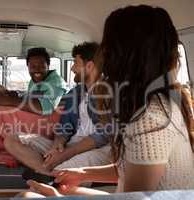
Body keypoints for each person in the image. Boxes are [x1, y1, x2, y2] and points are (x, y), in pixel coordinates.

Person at [20, 5, 194, 198]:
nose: (104, 54)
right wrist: (82, 174)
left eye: (108, 45)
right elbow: (133, 167)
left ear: (122, 55)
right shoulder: (158, 103)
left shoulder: (150, 116)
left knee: (28, 197)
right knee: (64, 188)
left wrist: (57, 197)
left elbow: (133, 196)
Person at [4, 42, 112, 176]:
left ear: (89, 66)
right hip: (72, 145)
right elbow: (64, 126)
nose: (72, 68)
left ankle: (48, 175)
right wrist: (58, 144)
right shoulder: (76, 93)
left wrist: (65, 154)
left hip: (98, 150)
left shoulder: (108, 92)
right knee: (12, 139)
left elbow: (104, 134)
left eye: (76, 63)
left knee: (61, 173)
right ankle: (46, 173)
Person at [0, 47, 67, 115]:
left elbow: (46, 108)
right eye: (33, 66)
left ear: (48, 65)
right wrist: (18, 96)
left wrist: (10, 100)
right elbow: (33, 97)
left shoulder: (57, 82)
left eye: (41, 66)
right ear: (27, 67)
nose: (37, 70)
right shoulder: (33, 81)